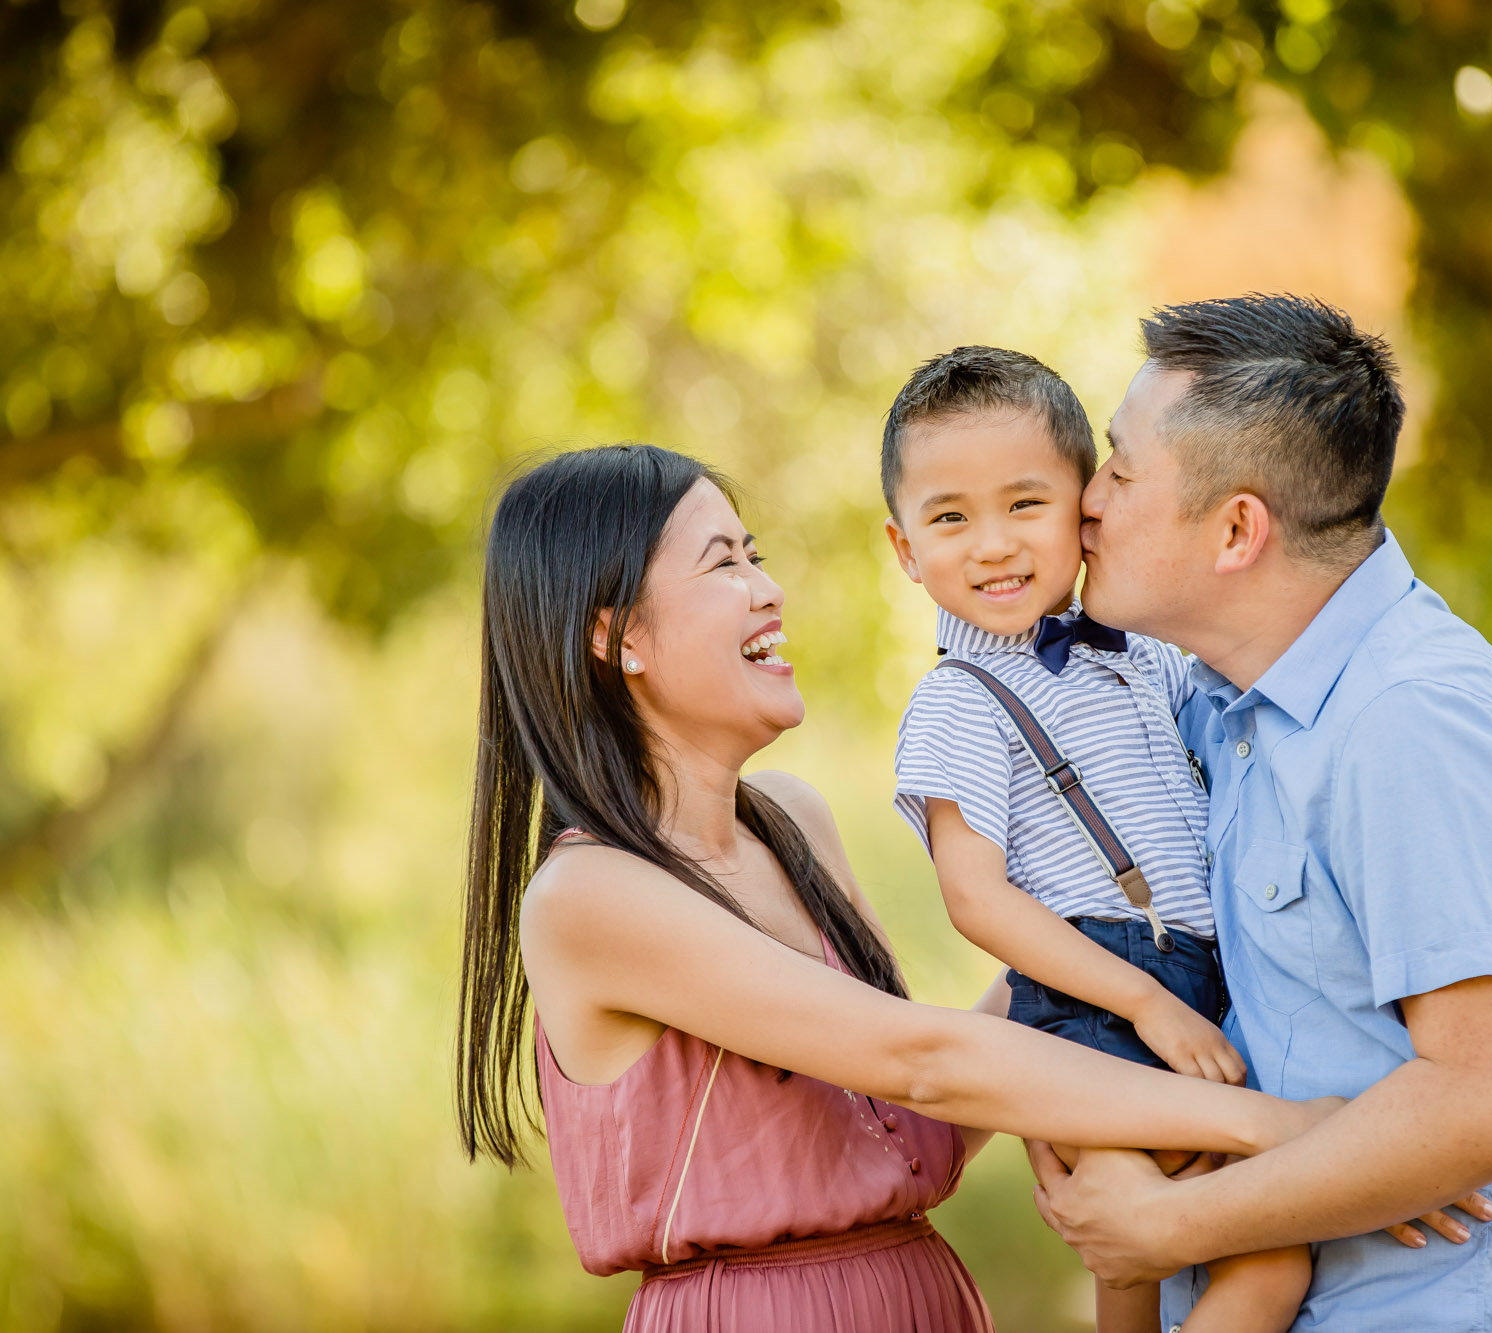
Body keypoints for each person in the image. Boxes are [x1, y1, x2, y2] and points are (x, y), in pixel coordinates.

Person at [452, 442, 1339, 1333]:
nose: (769, 589)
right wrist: (1284, 1133)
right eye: (724, 563)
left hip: (921, 1293)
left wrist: (1100, 971)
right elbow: (923, 1062)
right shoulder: (590, 895)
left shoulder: (791, 822)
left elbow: (908, 1124)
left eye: (754, 554)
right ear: (616, 637)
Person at [1030, 294, 1492, 1333]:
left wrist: (1171, 1226)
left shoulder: (1407, 724)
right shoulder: (1224, 703)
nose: (1086, 503)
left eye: (1118, 466)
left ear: (1236, 529)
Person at [879, 347, 1315, 1333]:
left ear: (1085, 507)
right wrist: (1145, 1006)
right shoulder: (961, 700)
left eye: (1023, 505)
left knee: (1269, 1259)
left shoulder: (1150, 653)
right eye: (949, 518)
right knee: (1133, 1236)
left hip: (1207, 982)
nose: (989, 545)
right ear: (904, 548)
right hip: (1092, 1004)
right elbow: (975, 898)